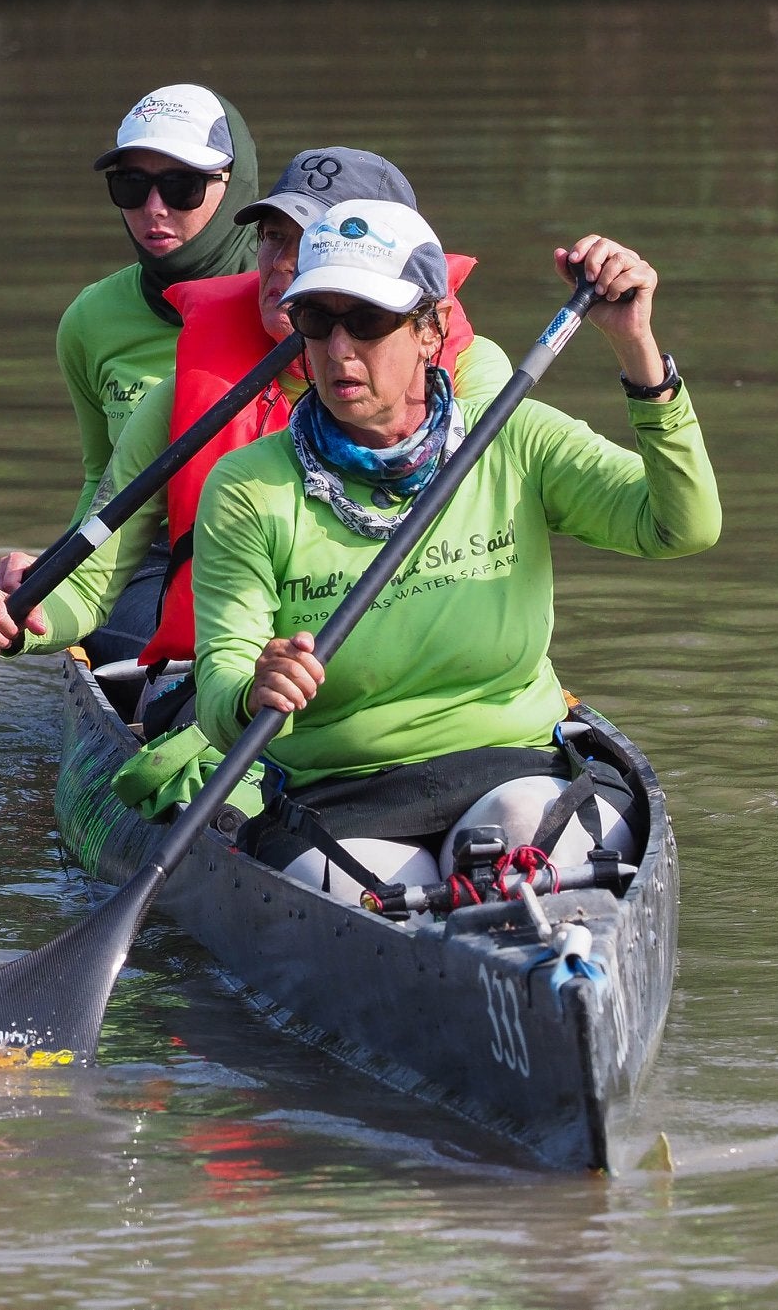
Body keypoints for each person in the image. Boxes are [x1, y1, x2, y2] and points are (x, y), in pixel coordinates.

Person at [189, 199, 720, 902]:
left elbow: (682, 526)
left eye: (370, 321)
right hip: (342, 803)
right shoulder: (248, 486)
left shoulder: (513, 437)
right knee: (370, 894)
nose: (339, 348)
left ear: (431, 328)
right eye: (317, 319)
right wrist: (255, 688)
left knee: (518, 841)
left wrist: (635, 348)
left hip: (514, 772)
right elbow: (218, 683)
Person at [0, 148, 512, 674]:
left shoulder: (472, 375)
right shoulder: (181, 398)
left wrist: (609, 337)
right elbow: (92, 586)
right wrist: (22, 616)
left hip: (429, 662)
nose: (284, 265)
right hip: (233, 681)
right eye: (272, 238)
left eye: (315, 243)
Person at [40, 84, 258, 664]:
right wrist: (50, 583)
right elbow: (98, 479)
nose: (154, 208)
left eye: (182, 185)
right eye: (131, 186)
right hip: (153, 559)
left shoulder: (301, 307)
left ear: (234, 186)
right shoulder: (90, 319)